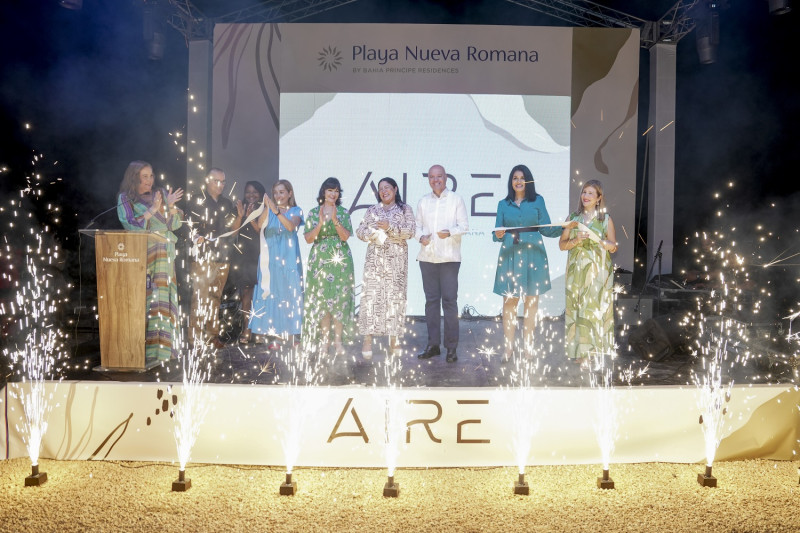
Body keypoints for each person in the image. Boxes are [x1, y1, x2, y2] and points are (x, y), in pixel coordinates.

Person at [493, 164, 565, 361]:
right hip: (510, 253)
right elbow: (496, 233)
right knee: (509, 304)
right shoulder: (503, 204)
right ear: (511, 182)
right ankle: (508, 349)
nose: (518, 181)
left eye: (522, 178)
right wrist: (499, 234)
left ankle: (528, 348)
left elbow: (547, 229)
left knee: (531, 304)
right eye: (515, 178)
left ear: (528, 181)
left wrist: (566, 227)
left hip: (534, 254)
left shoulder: (538, 201)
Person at [116, 160, 184, 362]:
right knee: (150, 297)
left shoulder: (161, 194)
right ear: (134, 177)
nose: (149, 180)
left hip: (166, 252)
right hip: (145, 254)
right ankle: (148, 350)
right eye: (144, 176)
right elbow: (131, 226)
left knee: (165, 297)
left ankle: (165, 350)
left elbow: (174, 225)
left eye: (151, 175)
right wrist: (153, 209)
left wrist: (170, 205)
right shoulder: (125, 198)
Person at [355, 177, 416, 359]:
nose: (384, 191)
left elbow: (410, 231)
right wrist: (371, 234)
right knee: (371, 300)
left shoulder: (405, 209)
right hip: (375, 261)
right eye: (381, 189)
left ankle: (394, 338)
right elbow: (360, 231)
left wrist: (390, 227)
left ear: (395, 189)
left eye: (387, 187)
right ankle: (367, 339)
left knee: (394, 299)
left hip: (396, 262)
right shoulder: (372, 210)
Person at [559, 179, 617, 364]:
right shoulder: (572, 219)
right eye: (584, 192)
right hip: (576, 273)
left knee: (595, 311)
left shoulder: (605, 220)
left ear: (599, 198)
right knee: (577, 311)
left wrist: (606, 244)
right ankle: (579, 353)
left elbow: (613, 246)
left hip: (598, 273)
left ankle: (594, 353)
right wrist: (575, 241)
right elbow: (562, 245)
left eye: (591, 193)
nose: (586, 196)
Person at [415, 164, 469, 363]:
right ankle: (433, 345)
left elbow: (464, 226)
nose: (435, 180)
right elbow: (416, 227)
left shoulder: (456, 200)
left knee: (449, 302)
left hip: (449, 259)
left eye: (439, 176)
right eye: (431, 177)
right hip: (427, 258)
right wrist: (421, 237)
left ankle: (451, 348)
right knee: (431, 302)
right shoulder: (423, 201)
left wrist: (450, 232)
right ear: (428, 179)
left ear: (446, 178)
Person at [188, 168, 242, 348]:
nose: (221, 185)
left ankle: (212, 336)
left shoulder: (227, 203)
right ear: (207, 180)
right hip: (202, 256)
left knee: (215, 298)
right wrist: (197, 237)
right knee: (200, 297)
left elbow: (232, 231)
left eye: (223, 181)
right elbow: (189, 226)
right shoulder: (197, 199)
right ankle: (195, 338)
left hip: (222, 256)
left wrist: (240, 216)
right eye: (216, 181)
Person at [248, 179, 305, 348]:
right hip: (270, 260)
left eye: (282, 192)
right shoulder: (269, 211)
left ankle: (294, 335)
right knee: (274, 294)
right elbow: (260, 227)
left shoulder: (296, 210)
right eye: (275, 192)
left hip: (288, 260)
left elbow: (290, 227)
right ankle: (277, 335)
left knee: (290, 294)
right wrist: (267, 209)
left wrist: (277, 211)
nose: (278, 195)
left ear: (289, 193)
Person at [303, 177, 356, 356]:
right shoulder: (312, 212)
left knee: (339, 302)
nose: (333, 194)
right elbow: (309, 239)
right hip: (319, 261)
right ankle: (325, 343)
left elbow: (345, 237)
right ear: (323, 192)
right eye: (330, 190)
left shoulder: (343, 212)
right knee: (323, 303)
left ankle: (338, 342)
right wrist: (319, 224)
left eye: (336, 191)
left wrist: (334, 219)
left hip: (340, 261)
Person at [230, 180, 266, 344]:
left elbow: (262, 232)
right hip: (243, 256)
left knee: (260, 294)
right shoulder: (239, 208)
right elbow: (232, 233)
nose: (251, 195)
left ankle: (259, 329)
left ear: (261, 193)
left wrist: (251, 218)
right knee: (246, 293)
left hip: (260, 255)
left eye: (255, 192)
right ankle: (247, 328)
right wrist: (240, 215)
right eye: (248, 192)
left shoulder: (266, 209)